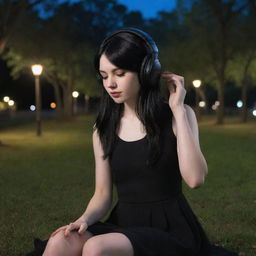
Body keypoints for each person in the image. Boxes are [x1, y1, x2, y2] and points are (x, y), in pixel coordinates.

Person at [31, 27, 238, 256]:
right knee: (60, 241)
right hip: (123, 224)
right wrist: (83, 220)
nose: (110, 84)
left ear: (146, 71)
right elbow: (102, 194)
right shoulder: (102, 128)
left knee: (96, 248)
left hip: (171, 229)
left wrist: (177, 109)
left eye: (119, 73)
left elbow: (195, 179)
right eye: (104, 75)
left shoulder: (179, 115)